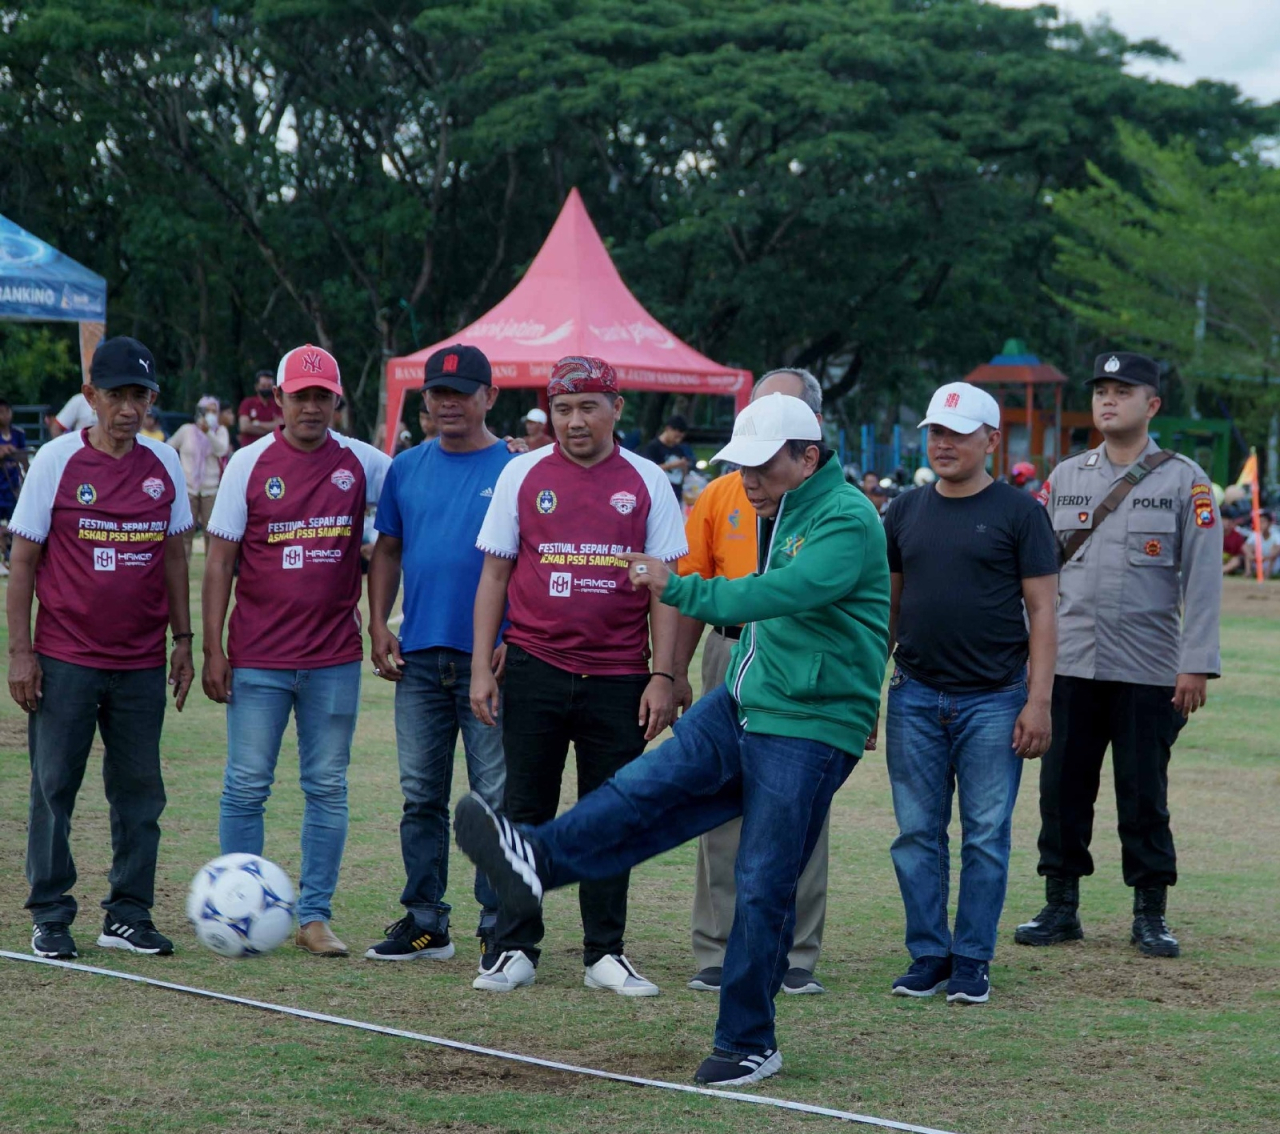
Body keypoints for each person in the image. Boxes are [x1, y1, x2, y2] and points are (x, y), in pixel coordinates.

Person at [455, 391, 889, 1085]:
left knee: (763, 880)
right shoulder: (783, 505)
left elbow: (772, 597)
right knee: (642, 793)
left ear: (808, 458)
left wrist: (674, 587)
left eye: (762, 466)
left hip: (808, 726)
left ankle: (749, 1040)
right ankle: (534, 860)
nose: (746, 480)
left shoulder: (848, 518)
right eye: (740, 466)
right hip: (745, 702)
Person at [467, 355, 685, 996]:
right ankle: (514, 947)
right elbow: (496, 574)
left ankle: (605, 953)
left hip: (619, 676)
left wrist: (663, 676)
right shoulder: (521, 473)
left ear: (617, 409)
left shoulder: (648, 481)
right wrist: (484, 666)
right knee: (523, 811)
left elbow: (664, 590)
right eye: (562, 409)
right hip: (533, 667)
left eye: (588, 406)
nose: (574, 421)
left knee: (610, 814)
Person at [1016, 351, 1222, 958]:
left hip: (1149, 669)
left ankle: (1150, 913)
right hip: (1071, 664)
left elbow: (1203, 581)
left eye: (1123, 391)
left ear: (1152, 404)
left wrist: (1196, 662)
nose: (1108, 400)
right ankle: (1060, 907)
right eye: (1102, 390)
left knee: (1143, 795)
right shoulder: (1066, 477)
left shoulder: (1188, 481)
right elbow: (1038, 574)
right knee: (1062, 792)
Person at [7, 336, 194, 960]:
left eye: (138, 396)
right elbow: (24, 560)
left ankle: (128, 913)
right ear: (90, 397)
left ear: (151, 400)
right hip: (65, 659)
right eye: (115, 395)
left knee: (141, 792)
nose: (126, 409)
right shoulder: (57, 461)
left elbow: (174, 561)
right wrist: (21, 652)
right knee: (54, 787)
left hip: (140, 663)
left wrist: (184, 641)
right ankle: (51, 914)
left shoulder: (163, 465)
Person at [203, 345, 390, 958]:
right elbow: (221, 561)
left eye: (322, 396)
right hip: (257, 657)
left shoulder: (364, 463)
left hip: (334, 657)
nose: (311, 406)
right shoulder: (248, 463)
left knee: (328, 786)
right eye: (299, 395)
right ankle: (241, 909)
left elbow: (416, 501)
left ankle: (314, 916)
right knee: (247, 784)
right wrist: (212, 649)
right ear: (278, 399)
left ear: (338, 401)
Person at [882, 382, 1059, 1004]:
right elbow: (891, 608)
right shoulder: (902, 510)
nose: (944, 443)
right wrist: (868, 690)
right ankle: (928, 954)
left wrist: (1038, 702)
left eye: (958, 433)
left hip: (996, 699)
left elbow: (1042, 612)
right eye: (936, 432)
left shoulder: (1021, 512)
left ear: (991, 440)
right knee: (916, 833)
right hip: (915, 696)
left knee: (986, 833)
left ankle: (972, 958)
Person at [675, 368, 834, 997]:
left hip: (802, 661)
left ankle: (795, 954)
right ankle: (716, 947)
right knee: (719, 799)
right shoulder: (720, 495)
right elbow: (692, 585)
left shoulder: (836, 507)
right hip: (730, 651)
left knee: (801, 807)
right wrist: (670, 673)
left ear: (809, 437)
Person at [365, 345, 518, 964]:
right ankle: (426, 922)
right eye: (437, 393)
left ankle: (497, 925)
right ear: (425, 400)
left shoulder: (515, 468)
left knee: (492, 800)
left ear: (490, 397)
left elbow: (527, 565)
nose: (448, 403)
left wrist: (515, 636)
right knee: (420, 796)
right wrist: (378, 622)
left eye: (462, 392)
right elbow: (388, 552)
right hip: (421, 656)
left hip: (490, 660)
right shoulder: (407, 467)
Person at [168, 396, 230, 561]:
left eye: (214, 411)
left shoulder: (220, 431)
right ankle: (183, 570)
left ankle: (211, 574)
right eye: (207, 411)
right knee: (185, 534)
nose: (210, 414)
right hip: (189, 489)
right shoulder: (186, 430)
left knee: (212, 534)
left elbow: (221, 450)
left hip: (211, 489)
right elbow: (170, 447)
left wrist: (208, 432)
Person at [0, 397, 29, 573]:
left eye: (6, 411)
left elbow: (24, 457)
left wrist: (26, 476)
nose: (4, 415)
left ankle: (10, 557)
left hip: (12, 485)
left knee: (14, 522)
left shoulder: (18, 433)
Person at [641, 414, 695, 501]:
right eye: (676, 436)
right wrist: (672, 465)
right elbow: (649, 470)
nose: (677, 440)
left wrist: (684, 467)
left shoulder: (679, 449)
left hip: (676, 492)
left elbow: (684, 474)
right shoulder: (653, 447)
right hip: (658, 493)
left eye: (680, 438)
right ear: (668, 429)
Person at [237, 368, 284, 448]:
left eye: (269, 386)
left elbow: (281, 426)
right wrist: (271, 427)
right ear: (256, 387)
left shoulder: (278, 403)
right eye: (263, 386)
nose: (266, 388)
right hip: (249, 448)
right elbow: (244, 427)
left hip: (272, 448)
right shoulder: (248, 403)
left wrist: (256, 424)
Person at [1243, 509, 1280, 576]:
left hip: (1271, 563)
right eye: (1259, 522)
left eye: (1263, 522)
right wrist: (1251, 555)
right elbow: (1245, 547)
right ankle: (1248, 573)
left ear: (1269, 523)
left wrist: (1265, 558)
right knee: (1249, 549)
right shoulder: (1255, 534)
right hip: (1257, 562)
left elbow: (1277, 549)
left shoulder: (1275, 535)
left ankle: (1267, 575)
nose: (1260, 524)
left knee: (1274, 549)